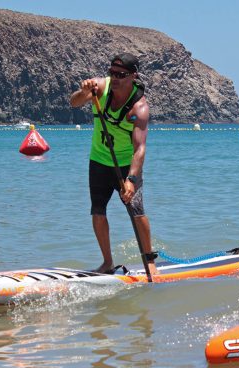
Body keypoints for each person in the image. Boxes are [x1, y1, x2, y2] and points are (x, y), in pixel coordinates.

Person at [70, 53, 158, 276]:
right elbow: (74, 103)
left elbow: (140, 149)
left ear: (133, 76)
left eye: (121, 75)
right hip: (99, 160)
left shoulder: (139, 108)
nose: (115, 78)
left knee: (137, 212)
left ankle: (150, 262)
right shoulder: (99, 88)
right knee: (97, 211)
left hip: (126, 166)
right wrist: (84, 91)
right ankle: (107, 262)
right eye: (112, 73)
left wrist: (131, 180)